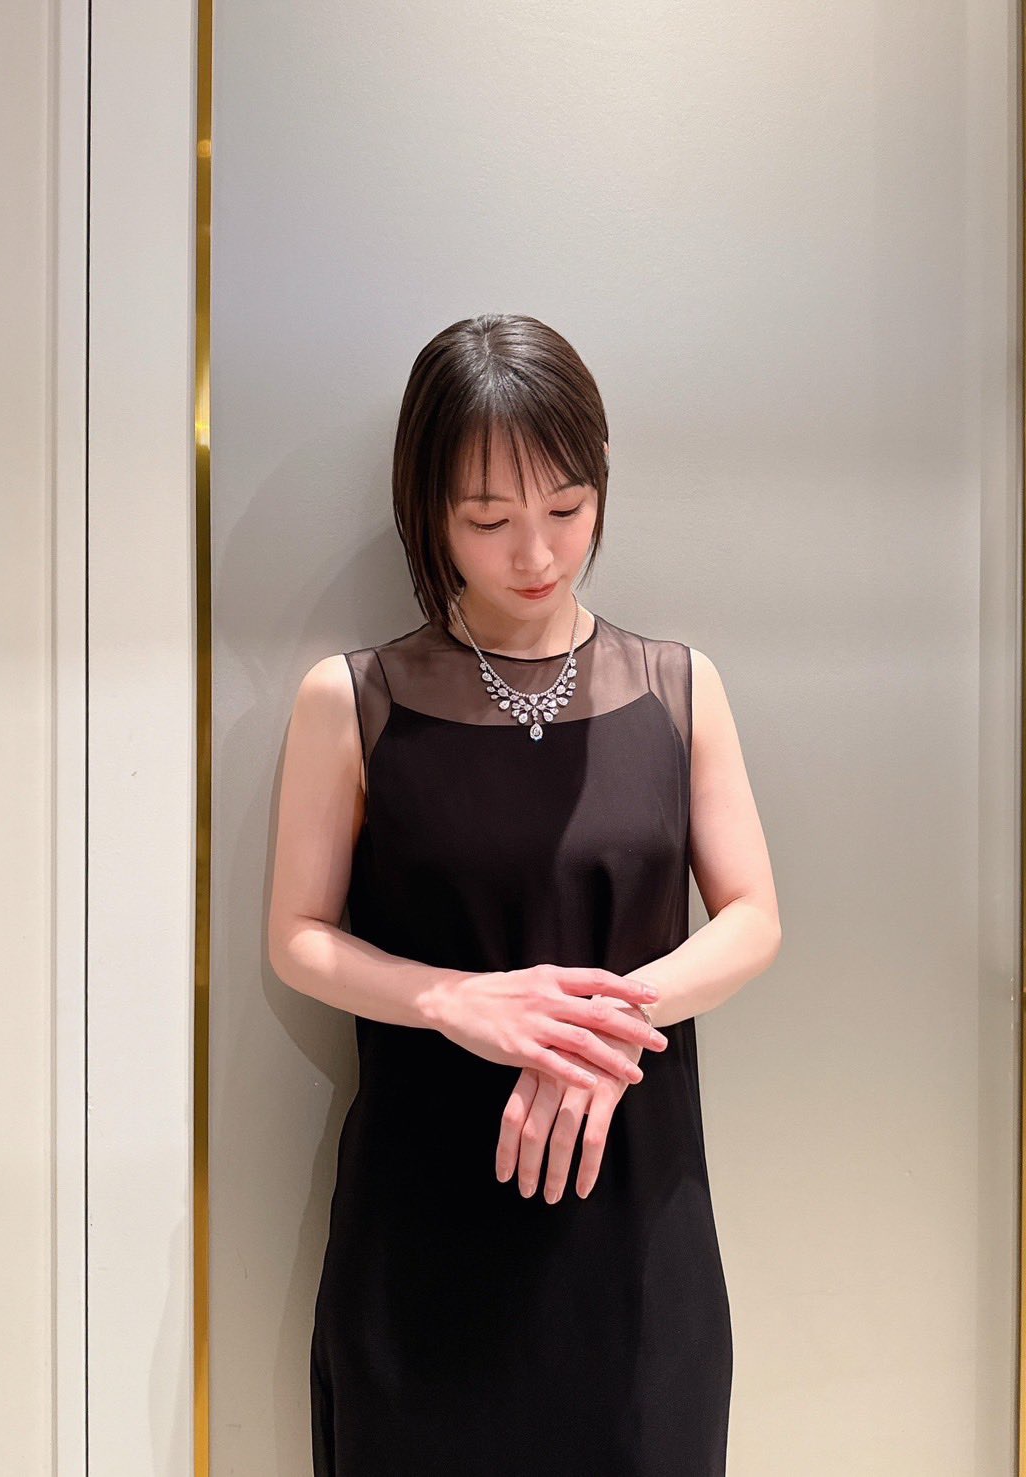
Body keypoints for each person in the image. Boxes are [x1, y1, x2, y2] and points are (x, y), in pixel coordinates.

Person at [267, 312, 782, 1475]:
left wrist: (598, 1026)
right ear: (429, 511)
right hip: (425, 1223)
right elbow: (297, 935)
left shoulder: (677, 685)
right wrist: (458, 1000)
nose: (536, 552)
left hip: (636, 1226)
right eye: (488, 519)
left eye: (566, 507)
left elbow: (753, 915)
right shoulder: (352, 700)